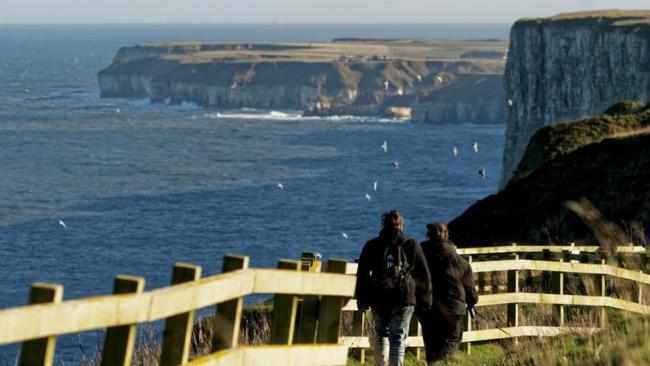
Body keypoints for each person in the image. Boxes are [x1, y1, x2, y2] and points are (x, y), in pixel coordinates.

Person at [355, 210, 432, 366]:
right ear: (401, 225)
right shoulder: (411, 244)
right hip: (404, 297)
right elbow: (424, 275)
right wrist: (425, 301)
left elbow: (362, 274)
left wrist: (362, 300)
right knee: (397, 337)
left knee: (381, 333)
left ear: (383, 225)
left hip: (379, 296)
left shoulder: (372, 245)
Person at [417, 222, 478, 364]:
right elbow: (469, 288)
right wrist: (472, 301)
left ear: (428, 236)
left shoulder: (421, 258)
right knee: (452, 339)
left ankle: (434, 362)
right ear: (446, 235)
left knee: (431, 341)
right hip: (452, 309)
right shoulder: (459, 262)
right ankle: (444, 362)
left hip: (427, 307)